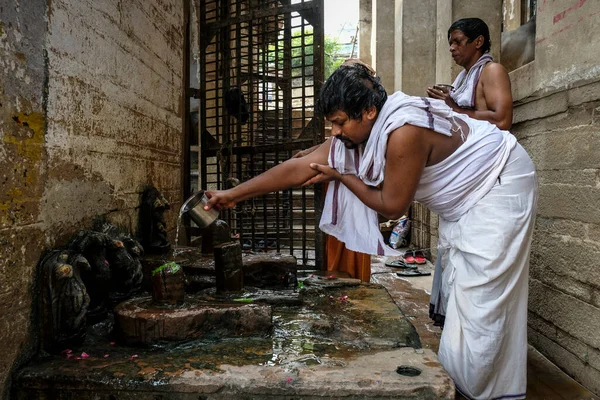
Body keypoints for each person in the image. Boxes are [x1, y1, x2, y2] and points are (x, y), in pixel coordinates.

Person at [205, 63, 537, 399]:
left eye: (339, 122)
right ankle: (468, 381)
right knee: (463, 299)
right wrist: (230, 196)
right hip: (465, 198)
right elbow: (294, 170)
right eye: (331, 123)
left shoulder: (403, 129)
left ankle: (478, 392)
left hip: (499, 185)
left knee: (482, 302)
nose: (334, 132)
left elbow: (391, 206)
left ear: (369, 111)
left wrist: (342, 177)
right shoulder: (359, 133)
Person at [427, 17, 513, 130]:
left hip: (489, 143)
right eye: (451, 43)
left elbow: (503, 121)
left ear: (478, 42)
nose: (451, 48)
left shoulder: (492, 70)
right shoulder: (463, 77)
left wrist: (456, 109)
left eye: (457, 42)